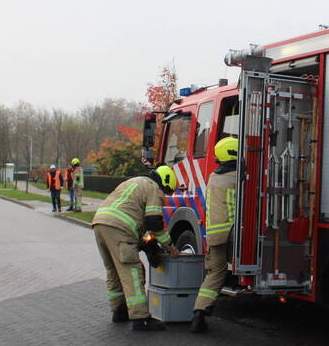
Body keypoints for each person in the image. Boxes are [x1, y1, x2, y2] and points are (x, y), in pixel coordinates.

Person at [92, 165, 179, 331]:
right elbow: (154, 222)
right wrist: (170, 246)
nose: (164, 196)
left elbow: (138, 218)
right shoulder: (155, 188)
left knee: (113, 270)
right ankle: (141, 318)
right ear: (165, 183)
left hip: (99, 224)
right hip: (119, 228)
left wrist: (147, 244)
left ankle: (119, 310)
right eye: (167, 192)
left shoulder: (135, 181)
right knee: (132, 270)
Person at [190, 136, 238, 333]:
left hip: (214, 234)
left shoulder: (213, 177)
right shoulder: (238, 177)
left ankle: (199, 313)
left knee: (215, 274)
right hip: (234, 233)